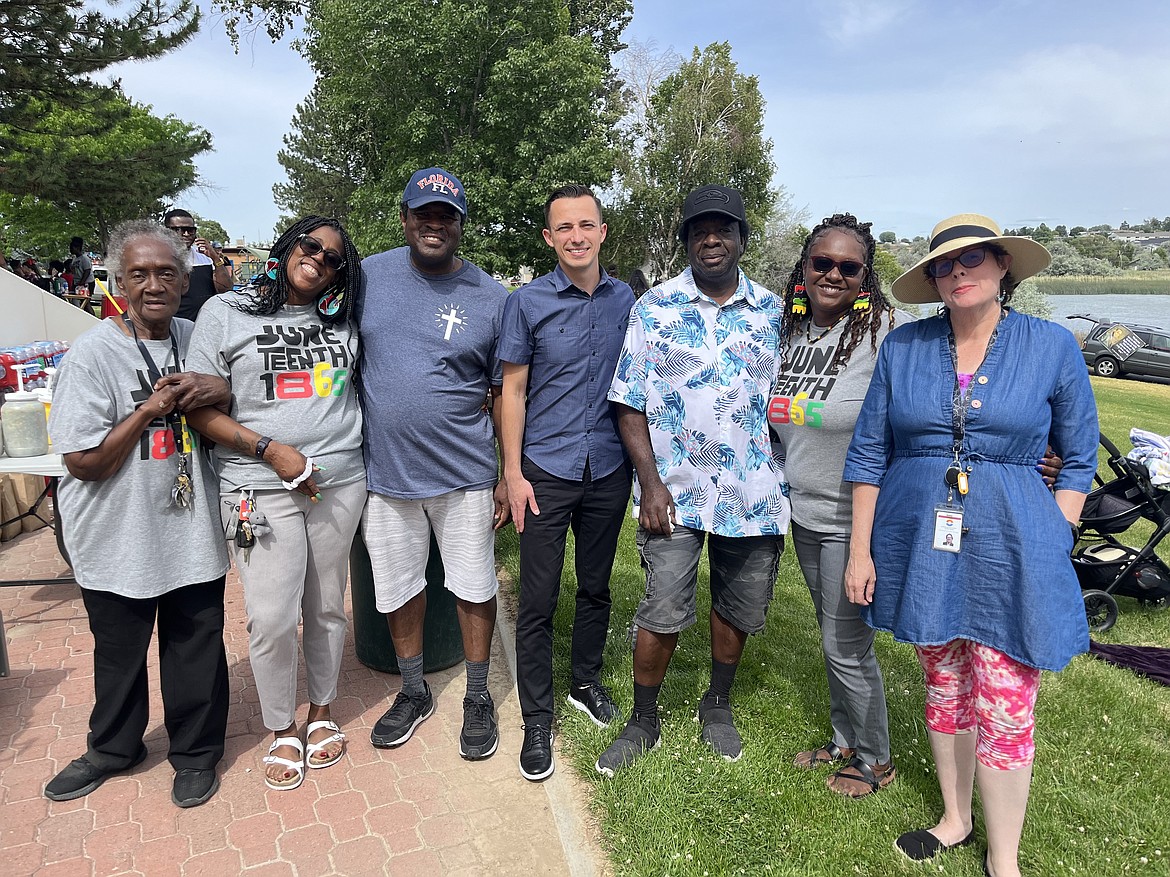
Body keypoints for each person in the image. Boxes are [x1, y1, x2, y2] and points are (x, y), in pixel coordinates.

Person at [844, 214, 1098, 877]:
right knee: (944, 680)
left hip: (1014, 547)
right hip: (922, 546)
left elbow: (1079, 453)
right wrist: (860, 550)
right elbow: (870, 451)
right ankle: (955, 818)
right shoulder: (905, 347)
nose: (958, 274)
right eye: (944, 266)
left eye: (972, 260)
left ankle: (1004, 856)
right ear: (931, 279)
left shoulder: (1051, 345)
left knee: (1005, 696)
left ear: (1003, 266)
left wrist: (1057, 525)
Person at [597, 184, 790, 776]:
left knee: (737, 606)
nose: (713, 238)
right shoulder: (653, 308)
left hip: (753, 493)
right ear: (686, 240)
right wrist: (650, 484)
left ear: (741, 239)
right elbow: (629, 403)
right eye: (700, 230)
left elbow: (797, 400)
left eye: (724, 229)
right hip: (673, 493)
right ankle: (644, 717)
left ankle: (717, 704)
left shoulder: (774, 315)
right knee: (661, 606)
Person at [44, 219, 231, 808]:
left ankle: (196, 752)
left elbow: (233, 390)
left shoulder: (195, 336)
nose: (154, 284)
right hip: (117, 535)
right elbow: (82, 462)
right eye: (139, 274)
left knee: (195, 648)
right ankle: (113, 748)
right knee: (119, 654)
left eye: (167, 272)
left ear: (183, 280)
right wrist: (151, 408)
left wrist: (216, 391)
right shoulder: (92, 354)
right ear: (119, 282)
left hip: (190, 529)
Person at [185, 216, 365, 791]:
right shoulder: (225, 312)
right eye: (311, 246)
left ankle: (322, 710)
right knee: (270, 616)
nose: (319, 259)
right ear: (288, 247)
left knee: (329, 607)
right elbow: (197, 408)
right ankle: (280, 723)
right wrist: (270, 450)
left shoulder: (344, 320)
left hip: (338, 480)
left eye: (334, 258)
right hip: (256, 485)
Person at [358, 167, 510, 761]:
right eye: (424, 213)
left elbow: (502, 391)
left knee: (473, 587)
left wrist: (506, 473)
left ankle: (476, 696)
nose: (434, 223)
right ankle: (415, 691)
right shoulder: (369, 275)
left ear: (460, 224)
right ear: (405, 217)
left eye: (446, 215)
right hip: (386, 473)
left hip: (465, 472)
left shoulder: (491, 298)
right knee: (398, 589)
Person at [769, 213, 913, 797]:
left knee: (846, 643)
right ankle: (845, 739)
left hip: (854, 519)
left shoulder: (888, 336)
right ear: (803, 269)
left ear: (865, 276)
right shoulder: (792, 332)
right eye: (821, 263)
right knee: (835, 637)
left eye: (848, 267)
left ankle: (877, 759)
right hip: (805, 511)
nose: (833, 274)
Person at [498, 184, 634, 781]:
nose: (577, 236)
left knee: (596, 587)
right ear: (549, 238)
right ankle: (536, 717)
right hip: (546, 472)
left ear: (603, 232)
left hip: (607, 465)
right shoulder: (526, 303)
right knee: (537, 599)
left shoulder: (627, 298)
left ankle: (585, 681)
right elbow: (514, 391)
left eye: (587, 224)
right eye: (564, 228)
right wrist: (512, 472)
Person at [163, 209, 233, 321]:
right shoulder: (158, 259)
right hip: (172, 327)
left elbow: (226, 289)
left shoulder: (206, 258)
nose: (186, 234)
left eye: (190, 230)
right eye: (178, 230)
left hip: (204, 326)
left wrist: (215, 258)